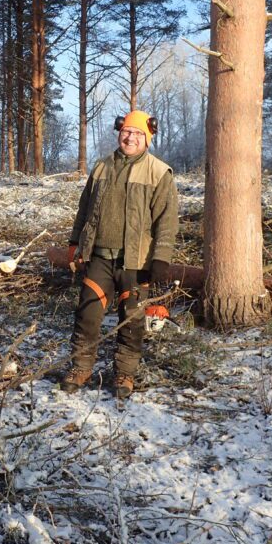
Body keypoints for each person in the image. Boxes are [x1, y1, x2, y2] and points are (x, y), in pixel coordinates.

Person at [61, 110, 179, 398]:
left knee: (132, 320)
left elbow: (167, 220)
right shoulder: (101, 168)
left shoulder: (158, 173)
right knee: (88, 314)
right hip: (99, 256)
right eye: (127, 131)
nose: (130, 137)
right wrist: (75, 243)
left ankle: (124, 374)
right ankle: (81, 367)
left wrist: (161, 259)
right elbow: (83, 209)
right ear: (119, 133)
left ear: (147, 138)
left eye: (138, 133)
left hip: (136, 261)